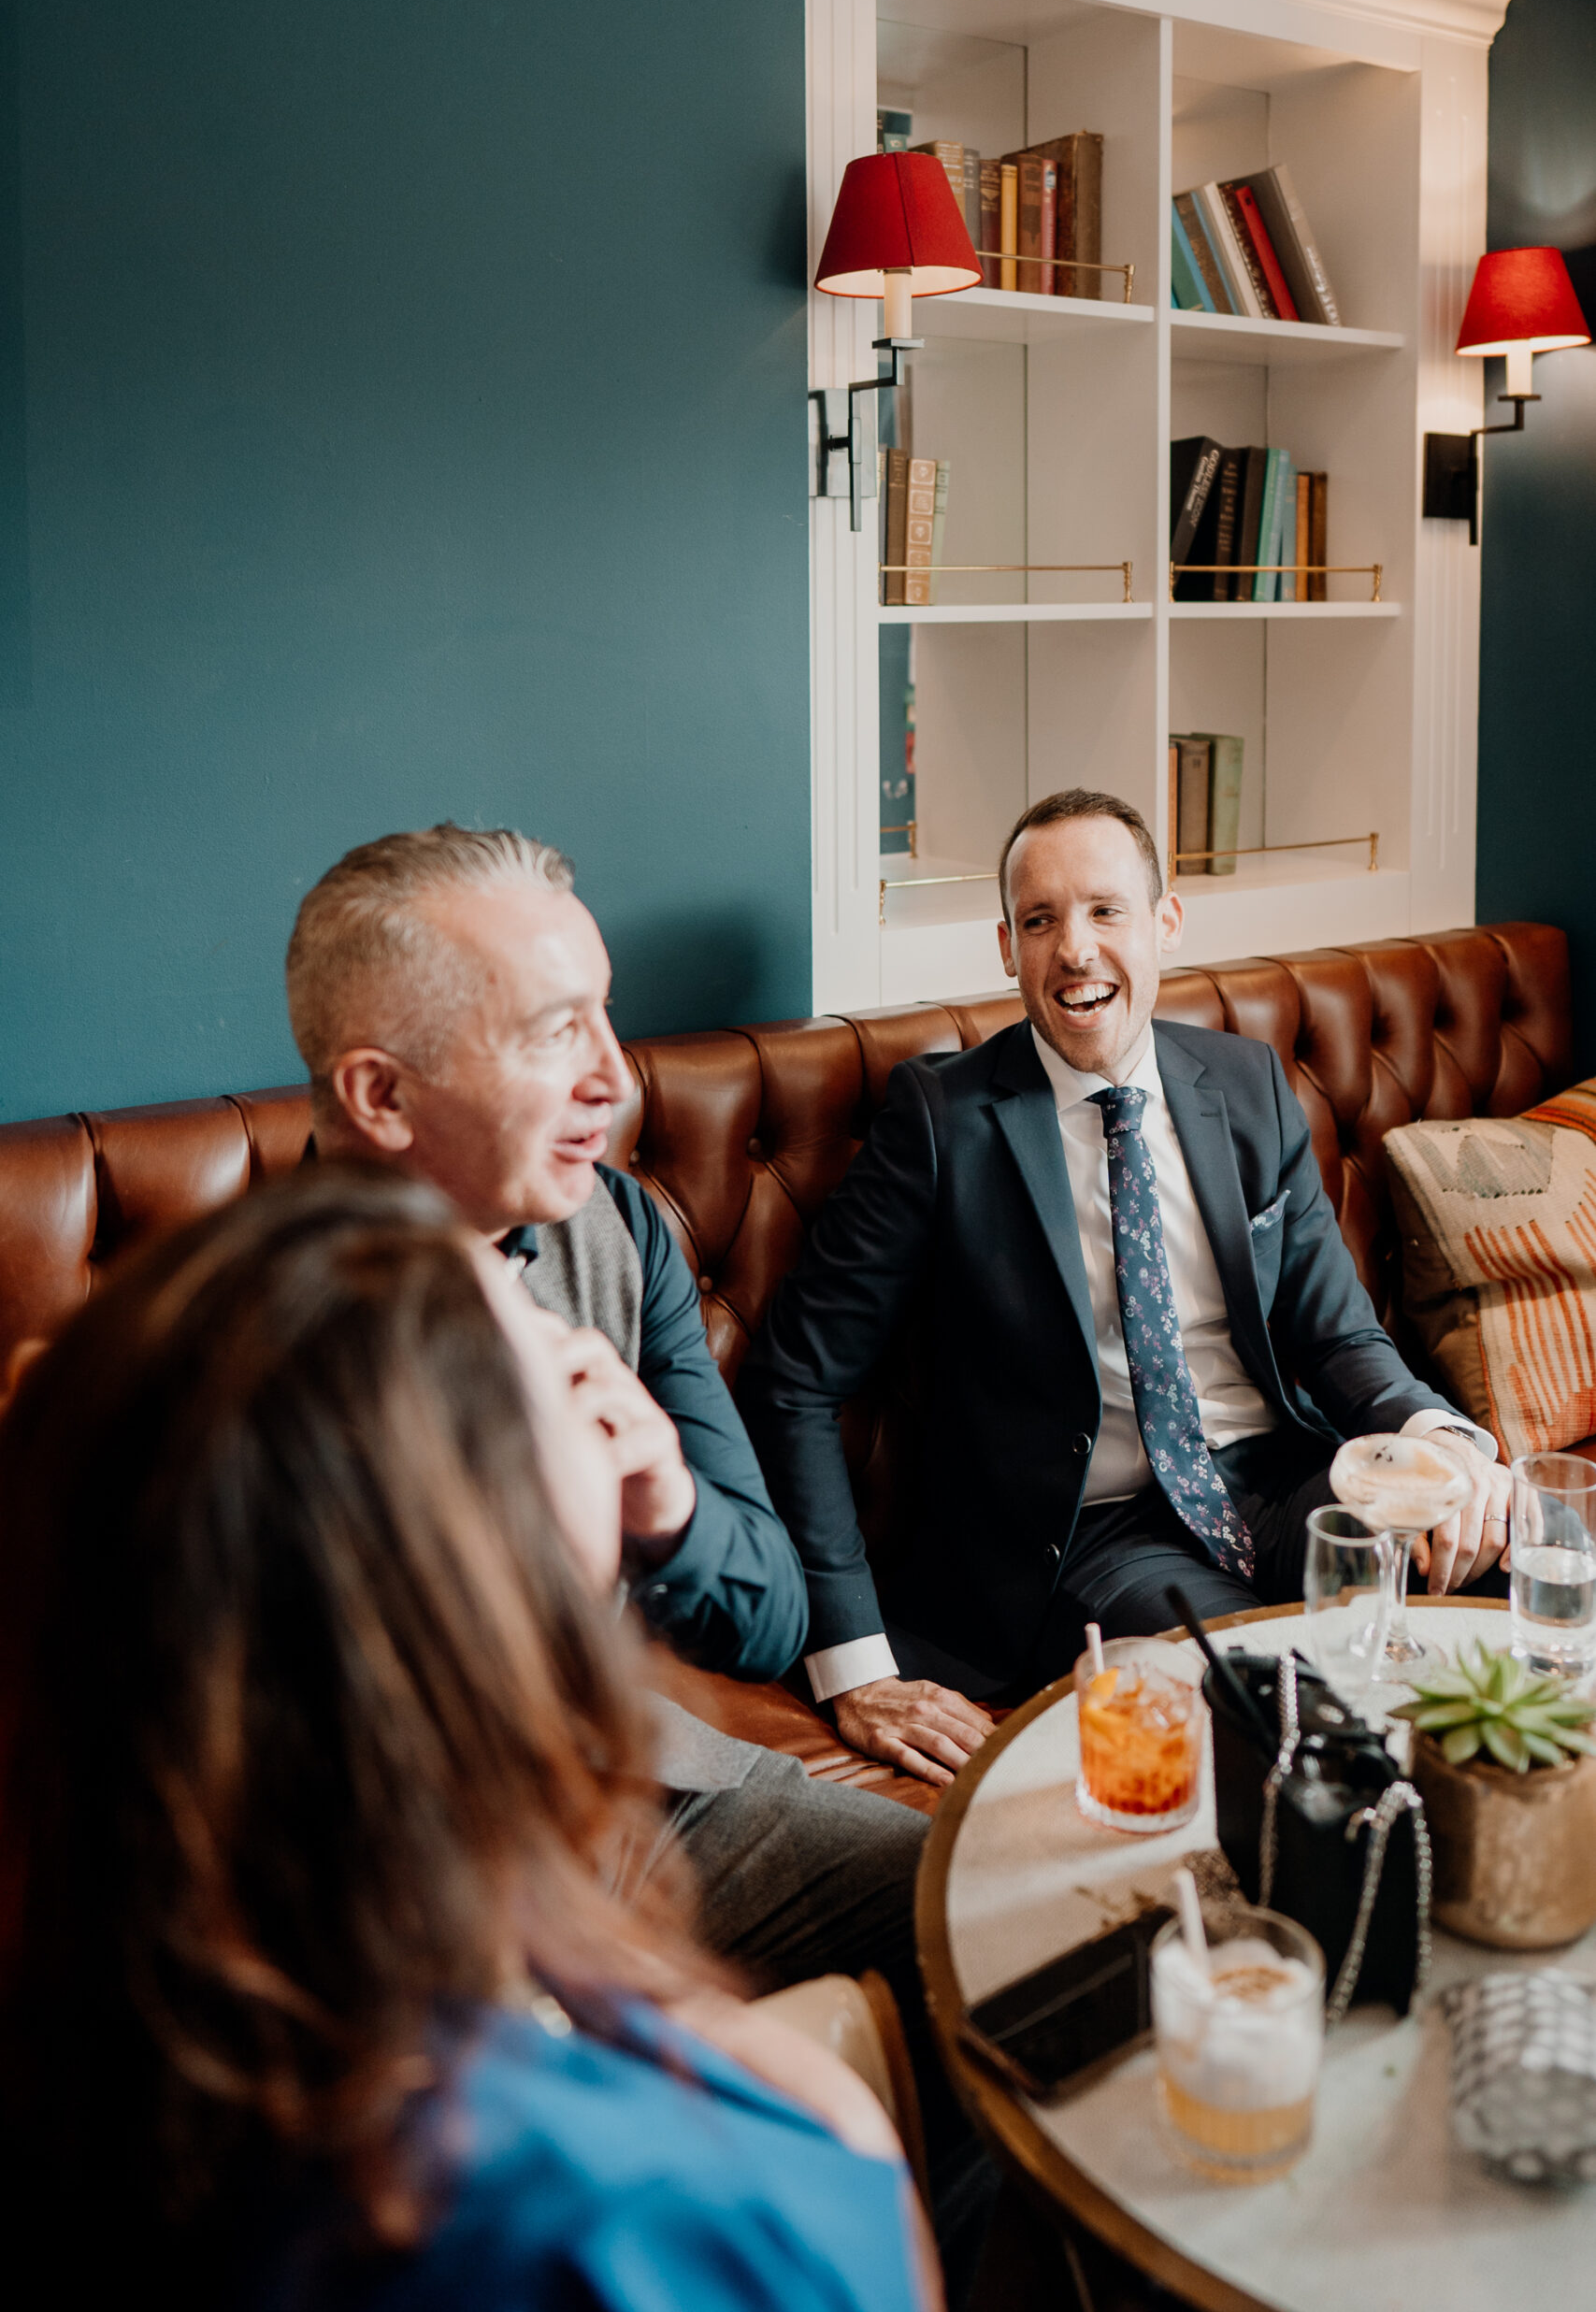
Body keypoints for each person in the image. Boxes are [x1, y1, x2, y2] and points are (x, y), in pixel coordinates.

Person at [0, 1168, 934, 2310]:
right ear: (463, 1575)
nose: (573, 1352)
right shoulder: (672, 2227)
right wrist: (848, 2147)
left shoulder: (139, 2014)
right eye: (536, 1360)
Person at [282, 826, 992, 2291]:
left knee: (987, 1914)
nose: (616, 1073)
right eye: (557, 1031)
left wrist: (664, 1495)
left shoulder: (618, 1229)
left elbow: (769, 1607)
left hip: (663, 1795)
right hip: (428, 1889)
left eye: (604, 1011)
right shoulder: (263, 1350)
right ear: (379, 1094)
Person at [740, 788, 1511, 1787]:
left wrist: (1441, 1440)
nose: (1076, 948)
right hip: (1099, 1536)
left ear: (1165, 923)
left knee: (1526, 1543)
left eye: (1106, 910)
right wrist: (851, 1663)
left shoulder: (1245, 1084)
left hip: (1285, 1481)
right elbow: (794, 1379)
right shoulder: (942, 1121)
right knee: (1270, 1698)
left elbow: (1335, 1335)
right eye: (1041, 920)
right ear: (1008, 948)